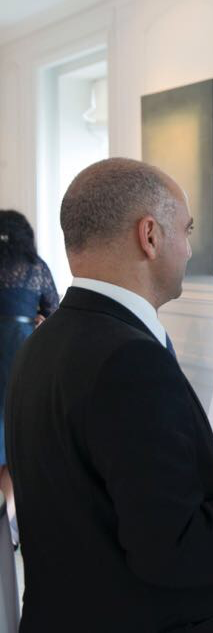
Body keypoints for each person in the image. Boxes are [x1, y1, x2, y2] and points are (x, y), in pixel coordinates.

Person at [4, 158, 213, 631]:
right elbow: (169, 549)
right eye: (186, 230)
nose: (191, 249)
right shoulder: (131, 360)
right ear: (150, 236)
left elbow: (96, 496)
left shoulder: (41, 343)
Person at [0, 210, 58, 538]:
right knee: (12, 444)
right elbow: (54, 310)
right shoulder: (34, 268)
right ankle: (6, 523)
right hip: (17, 354)